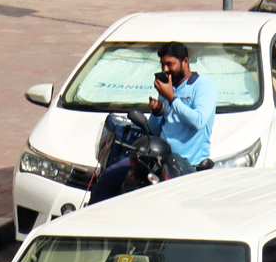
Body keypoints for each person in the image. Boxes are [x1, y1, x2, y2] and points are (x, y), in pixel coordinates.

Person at [89, 42, 217, 203]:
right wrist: (157, 113)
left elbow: (198, 120)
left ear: (185, 61)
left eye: (170, 64)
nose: (165, 70)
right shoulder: (168, 88)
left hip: (185, 165)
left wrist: (172, 98)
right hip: (156, 159)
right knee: (109, 178)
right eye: (162, 65)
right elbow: (153, 131)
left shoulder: (203, 86)